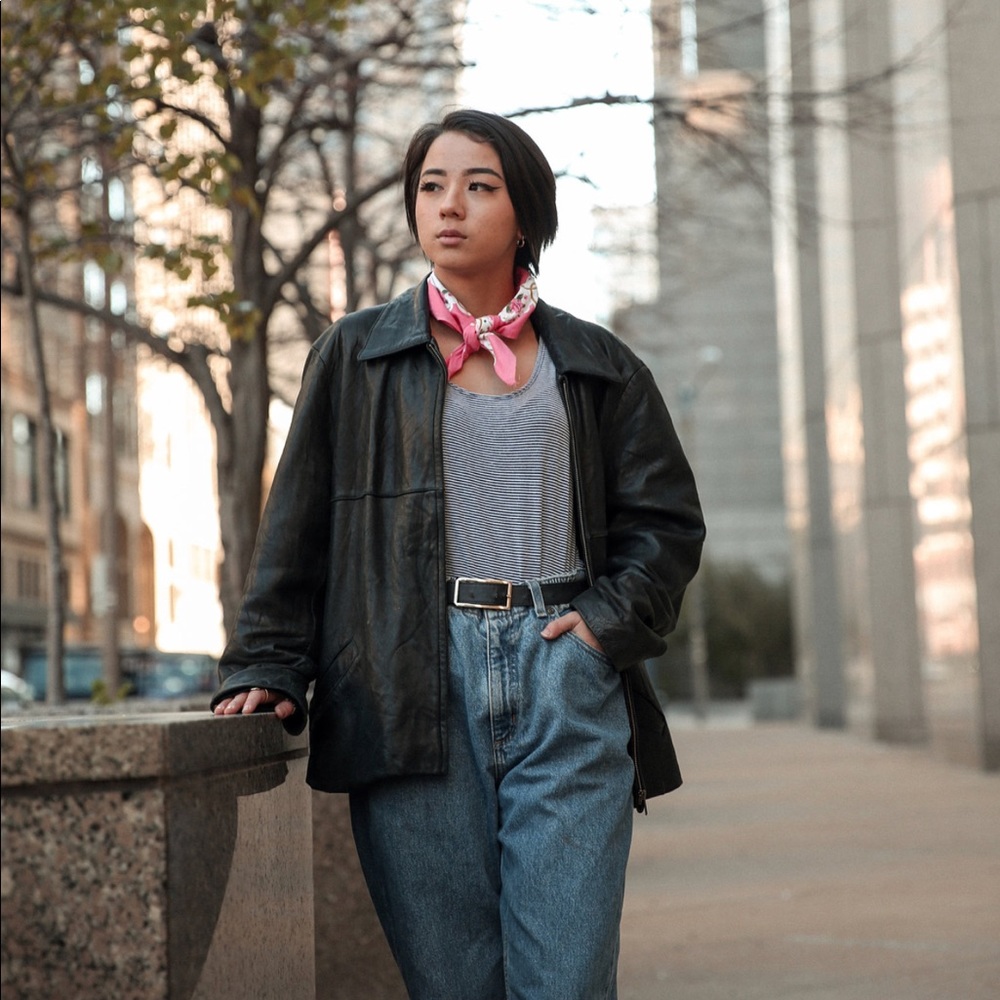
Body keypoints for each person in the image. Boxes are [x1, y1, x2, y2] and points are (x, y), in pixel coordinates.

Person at [212, 109, 704, 999]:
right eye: (431, 187)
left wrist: (599, 633)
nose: (450, 206)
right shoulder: (355, 355)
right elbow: (298, 526)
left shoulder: (597, 363)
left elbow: (666, 523)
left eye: (479, 187)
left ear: (526, 216)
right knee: (455, 985)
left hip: (563, 671)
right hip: (410, 682)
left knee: (567, 981)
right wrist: (267, 662)